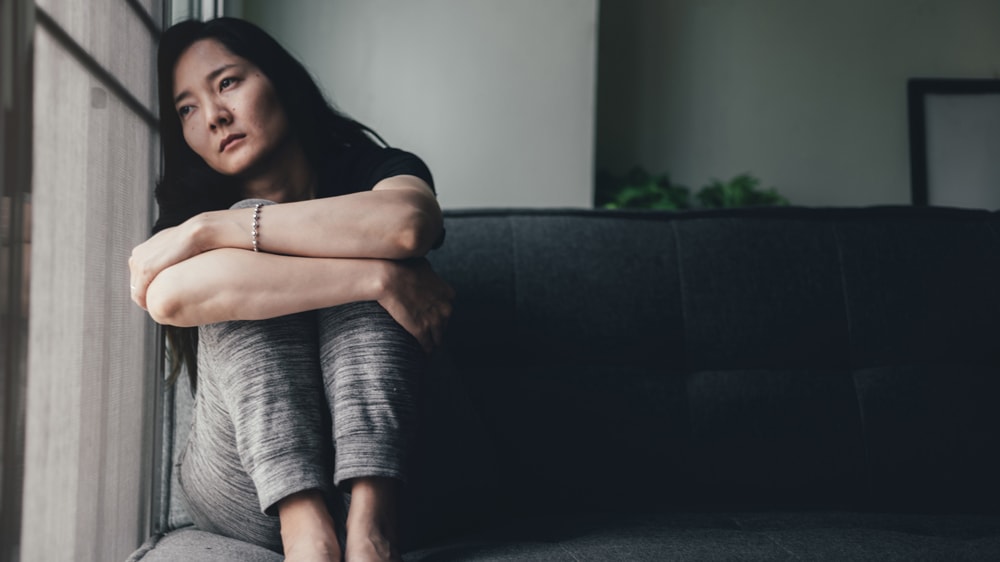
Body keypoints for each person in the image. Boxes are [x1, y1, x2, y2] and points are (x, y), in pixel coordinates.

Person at [128, 17, 453, 562]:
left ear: (278, 80)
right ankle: (303, 526)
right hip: (242, 487)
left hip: (404, 469)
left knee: (362, 236)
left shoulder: (370, 169)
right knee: (310, 256)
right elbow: (170, 298)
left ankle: (371, 522)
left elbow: (408, 225)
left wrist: (215, 231)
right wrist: (377, 277)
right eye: (186, 108)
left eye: (227, 82)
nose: (214, 116)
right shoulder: (187, 211)